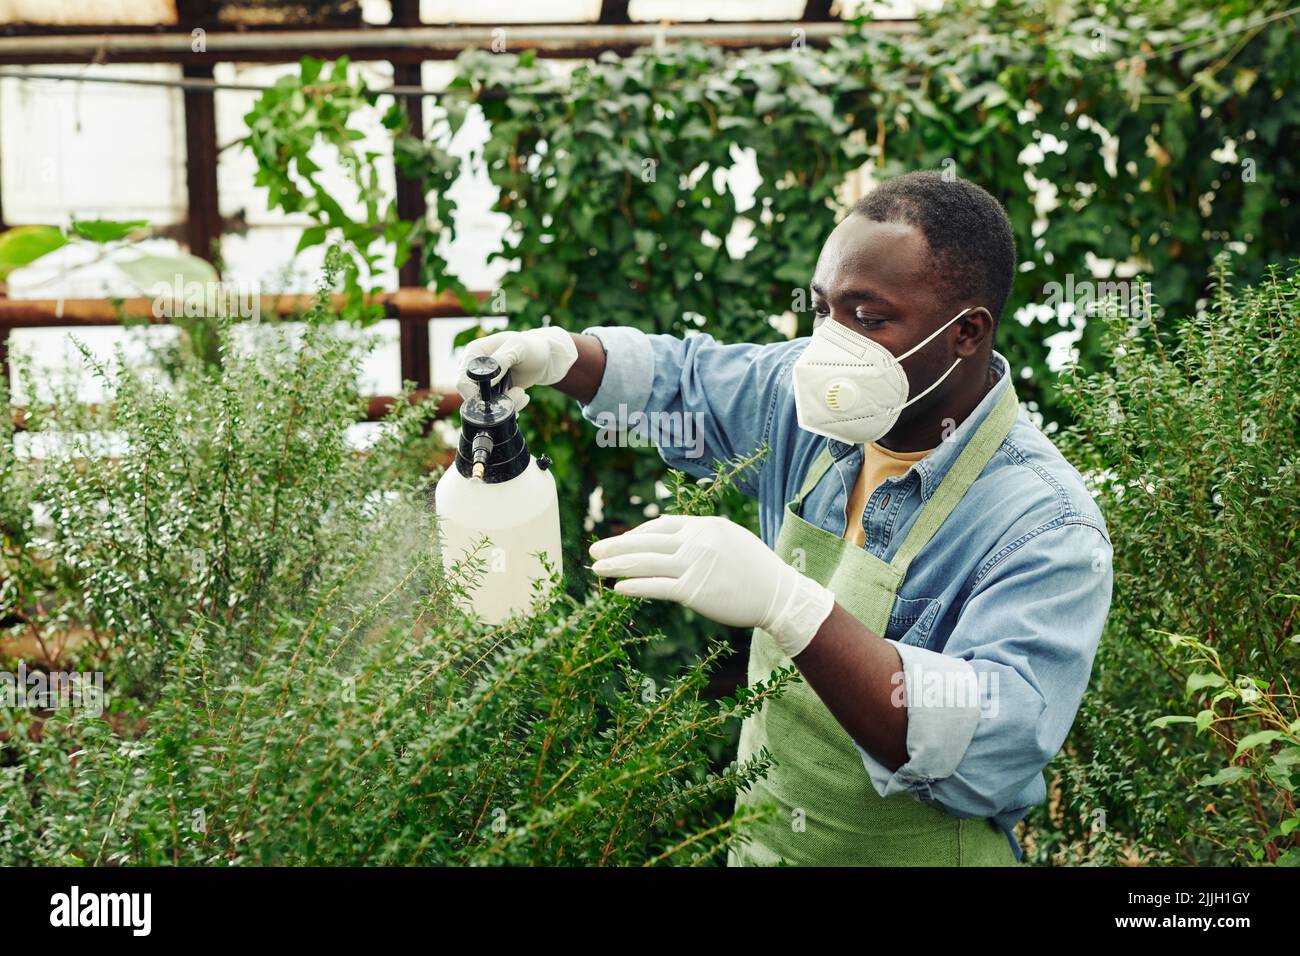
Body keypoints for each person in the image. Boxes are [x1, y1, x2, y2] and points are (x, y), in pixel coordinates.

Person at [455, 171, 1113, 866]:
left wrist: (791, 606)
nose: (831, 344)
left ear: (966, 332)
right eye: (824, 309)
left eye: (869, 317)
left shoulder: (1044, 525)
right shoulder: (821, 407)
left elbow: (987, 745)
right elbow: (685, 382)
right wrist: (561, 356)